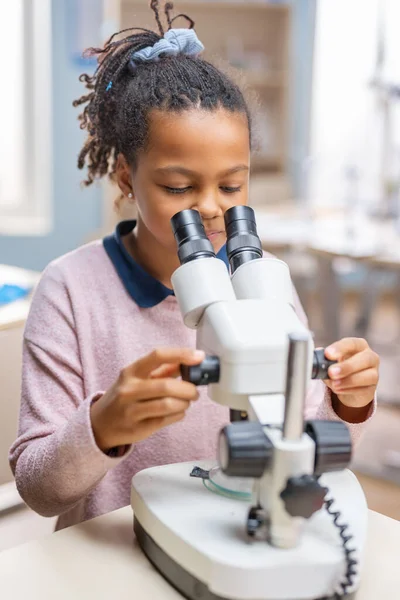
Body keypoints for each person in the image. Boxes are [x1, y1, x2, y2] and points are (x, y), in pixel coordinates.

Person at [9, 0, 379, 531]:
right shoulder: (70, 289)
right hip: (113, 551)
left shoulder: (264, 284)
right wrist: (103, 424)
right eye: (179, 187)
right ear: (125, 178)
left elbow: (303, 439)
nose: (210, 207)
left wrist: (348, 403)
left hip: (236, 530)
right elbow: (39, 490)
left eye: (232, 186)